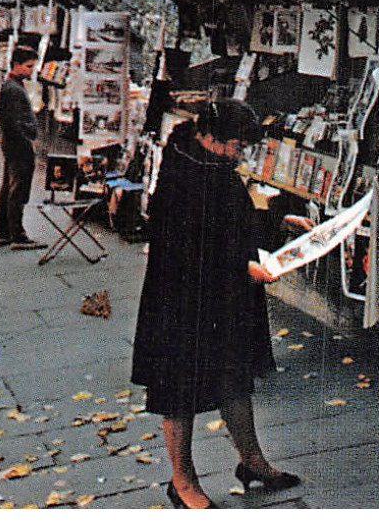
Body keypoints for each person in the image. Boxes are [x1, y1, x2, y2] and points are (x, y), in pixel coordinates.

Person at [132, 100, 310, 509]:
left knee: (233, 376)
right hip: (181, 301)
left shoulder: (212, 164)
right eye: (236, 145)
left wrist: (278, 222)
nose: (240, 154)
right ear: (209, 136)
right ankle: (182, 480)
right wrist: (242, 267)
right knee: (178, 388)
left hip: (222, 299)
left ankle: (252, 462)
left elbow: (231, 219)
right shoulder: (181, 173)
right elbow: (186, 245)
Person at [0, 46, 44, 249]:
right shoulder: (13, 89)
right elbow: (13, 123)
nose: (32, 70)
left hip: (15, 144)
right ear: (16, 65)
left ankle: (5, 231)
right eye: (29, 66)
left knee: (9, 187)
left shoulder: (12, 86)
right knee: (18, 189)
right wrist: (27, 142)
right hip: (19, 146)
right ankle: (17, 233)